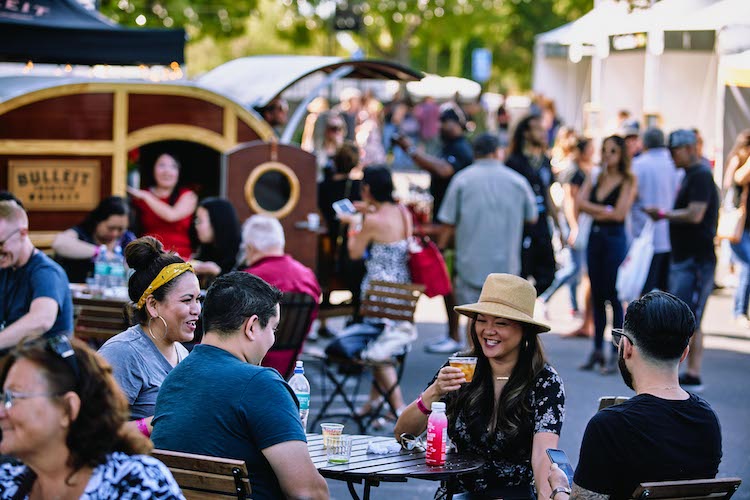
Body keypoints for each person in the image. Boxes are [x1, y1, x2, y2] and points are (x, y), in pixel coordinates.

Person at [151, 272, 329, 500]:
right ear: (252, 326)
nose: (272, 340)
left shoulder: (174, 378)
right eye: (273, 329)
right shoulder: (261, 384)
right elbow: (309, 493)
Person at [394, 273, 565, 499]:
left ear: (525, 330)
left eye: (501, 323)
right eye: (481, 320)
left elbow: (544, 455)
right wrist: (434, 391)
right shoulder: (461, 367)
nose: (488, 330)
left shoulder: (544, 381)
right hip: (457, 493)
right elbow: (403, 433)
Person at [546, 291, 722, 500]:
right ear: (684, 353)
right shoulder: (706, 420)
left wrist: (559, 489)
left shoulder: (610, 426)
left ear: (627, 347)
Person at [0, 335, 183, 498]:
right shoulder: (7, 482)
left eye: (13, 397)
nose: (1, 412)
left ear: (68, 409)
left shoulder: (136, 483)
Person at [435, 133, 537, 353]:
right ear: (496, 151)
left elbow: (447, 222)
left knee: (475, 320)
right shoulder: (517, 181)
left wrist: (442, 252)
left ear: (475, 152)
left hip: (470, 263)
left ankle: (476, 370)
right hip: (507, 265)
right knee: (506, 321)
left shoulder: (462, 179)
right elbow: (532, 217)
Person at [98, 236, 201, 435]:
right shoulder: (123, 353)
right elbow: (95, 430)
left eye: (198, 299)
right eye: (187, 300)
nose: (197, 309)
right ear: (153, 305)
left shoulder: (181, 352)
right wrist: (158, 423)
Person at [393, 108, 474, 351]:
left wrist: (410, 149)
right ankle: (453, 333)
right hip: (445, 221)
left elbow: (443, 170)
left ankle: (456, 335)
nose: (440, 128)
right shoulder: (451, 147)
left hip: (451, 225)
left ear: (457, 124)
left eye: (445, 123)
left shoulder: (460, 149)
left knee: (449, 279)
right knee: (446, 279)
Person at [645, 129, 719, 391]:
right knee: (686, 316)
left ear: (689, 148)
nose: (671, 157)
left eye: (674, 151)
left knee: (690, 317)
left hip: (695, 259)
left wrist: (664, 214)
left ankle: (693, 372)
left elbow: (696, 214)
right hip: (688, 258)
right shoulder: (692, 174)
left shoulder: (699, 175)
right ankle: (685, 371)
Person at [341, 165, 413, 416]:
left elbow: (354, 252)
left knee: (377, 348)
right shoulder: (403, 212)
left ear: (368, 189)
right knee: (384, 342)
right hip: (403, 289)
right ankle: (372, 402)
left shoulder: (371, 221)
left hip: (378, 293)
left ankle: (398, 406)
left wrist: (352, 225)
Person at [578, 135, 638, 374]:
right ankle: (596, 350)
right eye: (604, 150)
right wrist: (603, 209)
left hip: (614, 240)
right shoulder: (596, 176)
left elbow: (620, 214)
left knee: (614, 295)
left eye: (612, 151)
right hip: (595, 237)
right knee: (596, 294)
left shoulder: (628, 179)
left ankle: (616, 354)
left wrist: (597, 211)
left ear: (621, 154)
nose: (606, 155)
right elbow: (580, 202)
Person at [239, 214, 321, 374]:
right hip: (288, 368)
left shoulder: (249, 279)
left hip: (248, 367)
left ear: (250, 247)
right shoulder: (307, 276)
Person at [0, 201, 73, 352]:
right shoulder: (6, 267)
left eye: (1, 243)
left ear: (22, 233)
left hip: (46, 368)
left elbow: (42, 320)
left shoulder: (47, 272)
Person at [538, 138, 594, 320]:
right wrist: (574, 226)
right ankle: (544, 297)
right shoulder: (573, 172)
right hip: (572, 223)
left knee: (576, 268)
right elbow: (570, 201)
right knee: (573, 267)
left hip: (574, 223)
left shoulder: (578, 169)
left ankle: (573, 306)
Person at [506, 114, 558, 297]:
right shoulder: (514, 162)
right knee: (520, 273)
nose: (543, 133)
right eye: (538, 129)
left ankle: (526, 303)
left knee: (548, 273)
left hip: (542, 223)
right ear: (526, 133)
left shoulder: (544, 161)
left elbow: (547, 193)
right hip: (522, 225)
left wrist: (559, 224)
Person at [630, 127, 681, 293]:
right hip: (671, 235)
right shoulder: (675, 165)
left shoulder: (637, 165)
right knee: (667, 291)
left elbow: (631, 197)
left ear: (644, 143)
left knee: (644, 291)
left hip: (643, 235)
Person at [128, 152, 198, 259]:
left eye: (173, 166)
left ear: (179, 172)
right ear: (152, 169)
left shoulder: (188, 196)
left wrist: (146, 196)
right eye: (162, 165)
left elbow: (172, 215)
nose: (167, 171)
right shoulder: (140, 197)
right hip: (148, 257)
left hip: (181, 258)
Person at [52, 196, 136, 284]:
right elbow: (59, 243)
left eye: (120, 229)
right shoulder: (82, 233)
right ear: (98, 220)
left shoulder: (127, 239)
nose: (115, 233)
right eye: (110, 228)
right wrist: (99, 252)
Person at [723, 130, 750, 326]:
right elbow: (735, 180)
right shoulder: (738, 160)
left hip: (747, 223)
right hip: (740, 224)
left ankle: (741, 309)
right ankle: (739, 310)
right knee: (747, 266)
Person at [191, 197, 242, 281]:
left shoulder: (242, 252)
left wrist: (217, 271)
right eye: (196, 221)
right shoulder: (206, 248)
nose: (196, 226)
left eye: (199, 221)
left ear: (216, 222)